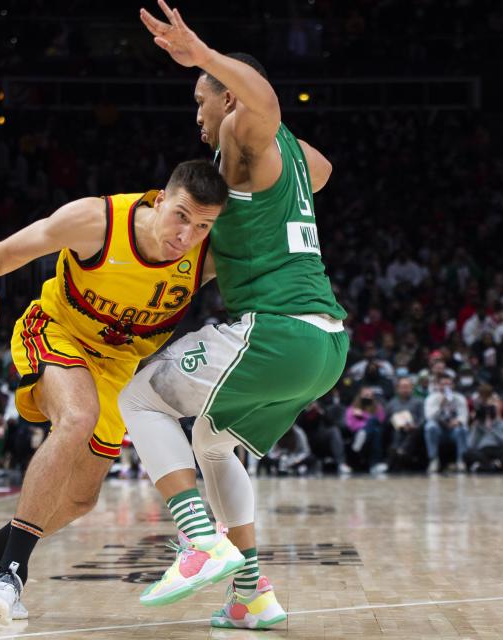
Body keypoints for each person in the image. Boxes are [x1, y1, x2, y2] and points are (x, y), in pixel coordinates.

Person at [0, 158, 229, 622]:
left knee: (81, 499)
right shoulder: (95, 222)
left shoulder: (209, 254)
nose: (187, 235)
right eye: (181, 215)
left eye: (203, 225)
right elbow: (1, 256)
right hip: (58, 330)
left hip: (118, 365)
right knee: (76, 417)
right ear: (160, 200)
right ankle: (9, 575)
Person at [117, 3, 346, 629]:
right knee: (212, 440)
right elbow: (320, 172)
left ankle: (199, 540)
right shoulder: (282, 156)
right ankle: (251, 593)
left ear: (232, 101)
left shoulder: (248, 135)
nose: (196, 113)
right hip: (325, 344)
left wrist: (204, 55)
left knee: (139, 400)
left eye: (203, 99)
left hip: (276, 329)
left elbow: (264, 105)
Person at [423, 373, 469, 473]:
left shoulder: (460, 398)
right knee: (430, 427)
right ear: (438, 386)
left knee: (463, 428)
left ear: (453, 386)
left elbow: (464, 416)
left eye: (449, 384)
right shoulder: (431, 398)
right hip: (439, 430)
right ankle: (433, 460)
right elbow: (429, 417)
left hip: (453, 430)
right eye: (443, 384)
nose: (446, 387)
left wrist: (458, 422)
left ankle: (461, 460)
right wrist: (441, 403)